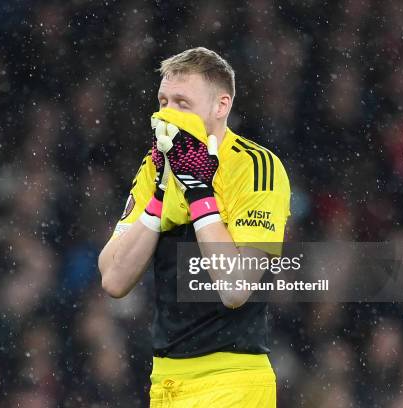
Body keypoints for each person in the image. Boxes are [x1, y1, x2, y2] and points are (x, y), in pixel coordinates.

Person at [98, 47, 291, 407]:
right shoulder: (153, 169)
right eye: (163, 101)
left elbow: (235, 288)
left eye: (182, 103)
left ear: (221, 106)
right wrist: (158, 200)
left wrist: (199, 191)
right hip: (165, 382)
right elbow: (113, 277)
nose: (167, 114)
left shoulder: (256, 166)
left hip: (232, 381)